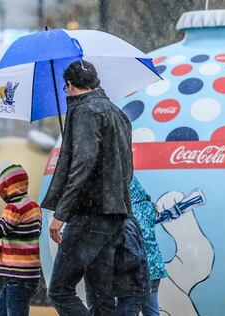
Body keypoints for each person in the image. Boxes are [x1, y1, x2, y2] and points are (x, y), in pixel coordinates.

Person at [42, 60, 134, 316]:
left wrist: (61, 214)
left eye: (66, 88)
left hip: (89, 213)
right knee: (101, 296)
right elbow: (126, 167)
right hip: (114, 213)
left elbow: (83, 164)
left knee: (59, 289)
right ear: (95, 82)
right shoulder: (117, 113)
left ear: (69, 85)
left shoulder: (85, 113)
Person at [0, 164, 42, 316]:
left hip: (17, 276)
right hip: (27, 275)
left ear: (8, 189)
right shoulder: (34, 207)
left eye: (1, 189)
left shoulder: (14, 208)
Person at [116, 176, 169, 315]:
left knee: (127, 309)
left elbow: (134, 247)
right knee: (151, 311)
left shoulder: (133, 213)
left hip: (140, 273)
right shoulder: (147, 206)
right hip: (154, 269)